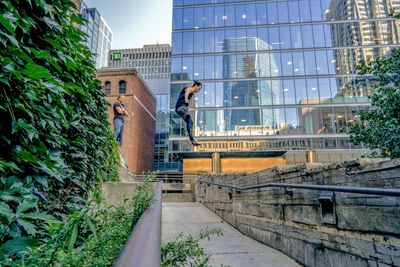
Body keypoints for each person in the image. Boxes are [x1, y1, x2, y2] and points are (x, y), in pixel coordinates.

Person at [175, 80, 202, 146]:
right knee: (190, 122)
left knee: (190, 122)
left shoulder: (192, 93)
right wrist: (186, 99)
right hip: (181, 107)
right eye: (199, 88)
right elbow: (187, 92)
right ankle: (191, 138)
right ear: (196, 86)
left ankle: (192, 140)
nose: (199, 90)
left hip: (179, 109)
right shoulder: (190, 89)